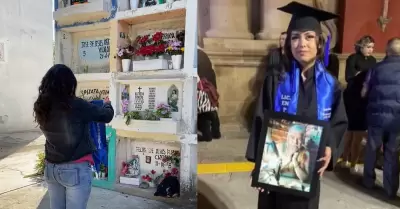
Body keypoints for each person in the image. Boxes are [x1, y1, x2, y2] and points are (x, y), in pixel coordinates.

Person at [245, 2, 348, 209]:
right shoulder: (275, 80)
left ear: (319, 43)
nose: (302, 43)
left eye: (309, 37)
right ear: (288, 44)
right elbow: (260, 120)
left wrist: (330, 146)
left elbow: (338, 122)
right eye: (295, 37)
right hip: (274, 171)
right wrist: (260, 166)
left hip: (306, 172)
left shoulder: (331, 85)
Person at [33, 64, 114, 209]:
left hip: (51, 168)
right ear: (70, 83)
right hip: (75, 169)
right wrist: (107, 104)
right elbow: (106, 116)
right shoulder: (76, 105)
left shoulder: (41, 105)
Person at [362, 37, 400, 199]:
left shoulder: (376, 68)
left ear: (387, 51)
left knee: (372, 150)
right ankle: (390, 190)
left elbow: (363, 92)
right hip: (397, 120)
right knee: (392, 153)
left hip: (376, 118)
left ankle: (368, 182)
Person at [341, 35, 376, 172]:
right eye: (368, 47)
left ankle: (354, 163)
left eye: (372, 47)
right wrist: (363, 75)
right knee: (349, 132)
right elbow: (349, 77)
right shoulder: (352, 58)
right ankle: (344, 158)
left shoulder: (373, 61)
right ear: (361, 46)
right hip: (352, 97)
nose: (370, 50)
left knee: (359, 133)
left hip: (364, 100)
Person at [197, 76, 221, 142]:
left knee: (203, 121)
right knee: (214, 117)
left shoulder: (196, 92)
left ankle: (207, 137)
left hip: (203, 113)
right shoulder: (206, 88)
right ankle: (216, 134)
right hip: (213, 110)